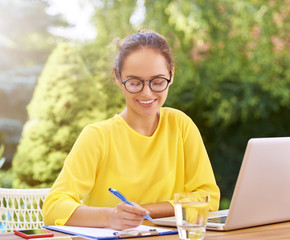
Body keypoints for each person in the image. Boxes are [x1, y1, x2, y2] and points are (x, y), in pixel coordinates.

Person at [42, 30, 220, 230]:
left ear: (171, 74)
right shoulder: (97, 136)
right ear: (117, 77)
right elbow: (53, 207)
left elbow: (208, 197)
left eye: (158, 82)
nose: (147, 92)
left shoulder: (180, 125)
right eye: (135, 82)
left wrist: (146, 211)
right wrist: (110, 217)